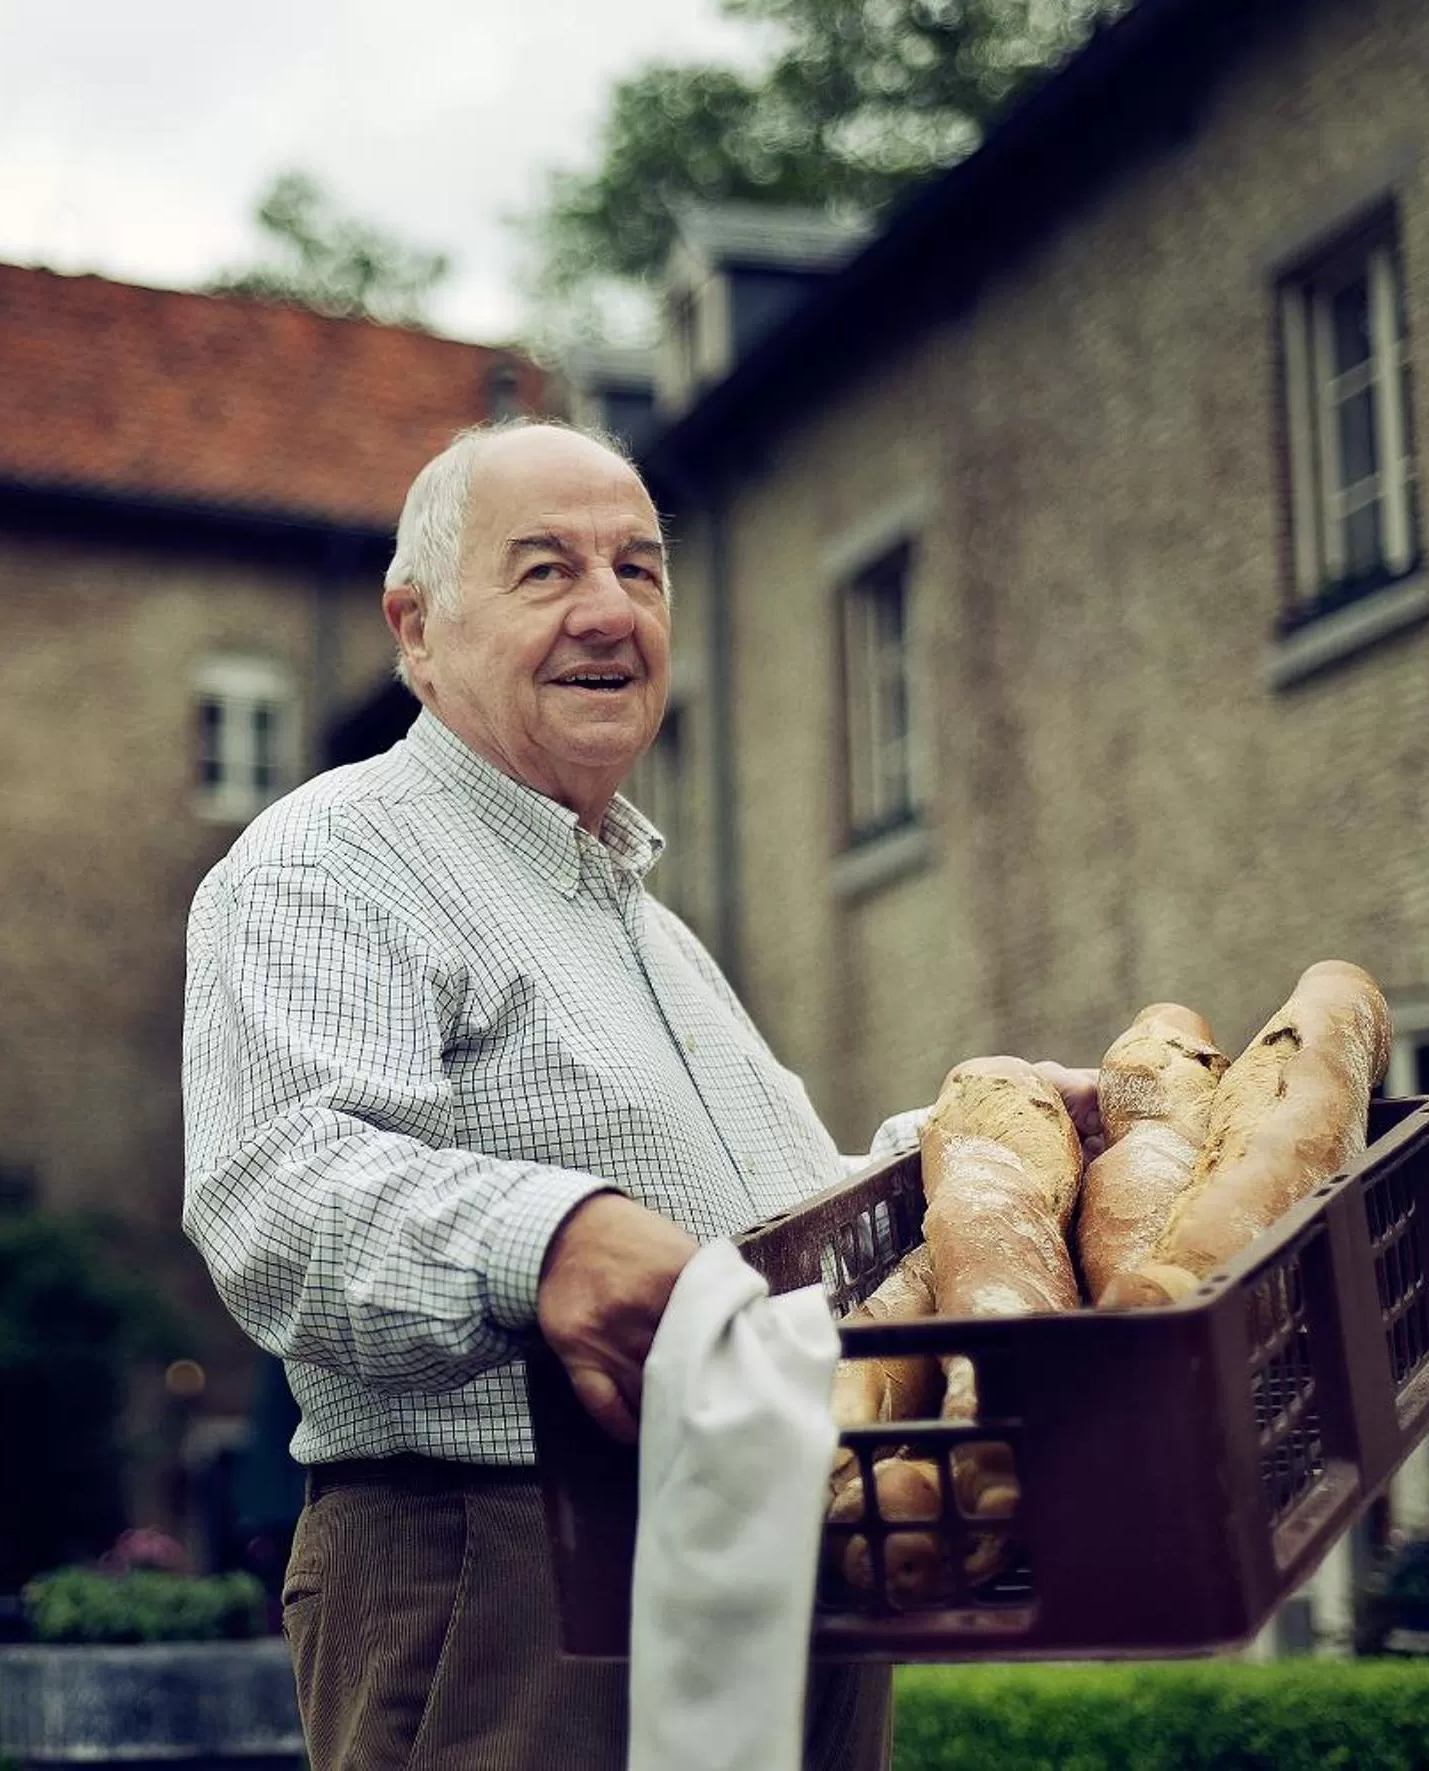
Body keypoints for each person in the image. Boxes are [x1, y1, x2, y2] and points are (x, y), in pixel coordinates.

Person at [180, 419, 1097, 1770]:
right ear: (415, 627)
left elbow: (779, 1247)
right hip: (504, 1572)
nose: (607, 608)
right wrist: (543, 1238)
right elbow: (279, 1194)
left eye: (639, 569)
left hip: (772, 1542)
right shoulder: (326, 861)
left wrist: (967, 1143)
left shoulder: (642, 921)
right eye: (544, 570)